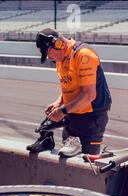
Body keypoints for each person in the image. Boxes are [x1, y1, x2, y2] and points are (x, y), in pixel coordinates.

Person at [35, 28, 112, 157]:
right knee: (66, 157)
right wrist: (59, 102)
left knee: (87, 163)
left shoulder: (83, 55)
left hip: (91, 118)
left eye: (49, 52)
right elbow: (70, 86)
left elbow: (89, 94)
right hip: (72, 114)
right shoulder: (61, 58)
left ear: (59, 44)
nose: (48, 57)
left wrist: (62, 111)